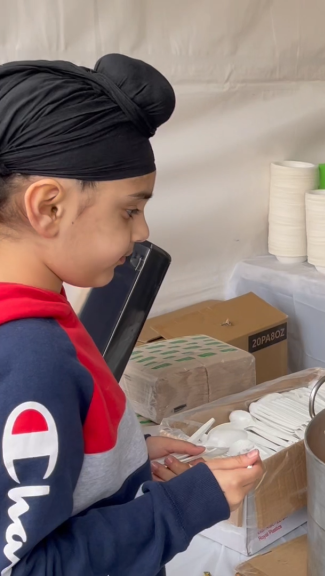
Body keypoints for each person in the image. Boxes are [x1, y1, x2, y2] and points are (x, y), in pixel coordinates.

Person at [0, 54, 264, 575]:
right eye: (130, 210)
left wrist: (127, 461)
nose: (143, 231)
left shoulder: (37, 320)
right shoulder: (33, 358)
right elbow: (26, 567)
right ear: (48, 207)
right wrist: (182, 506)